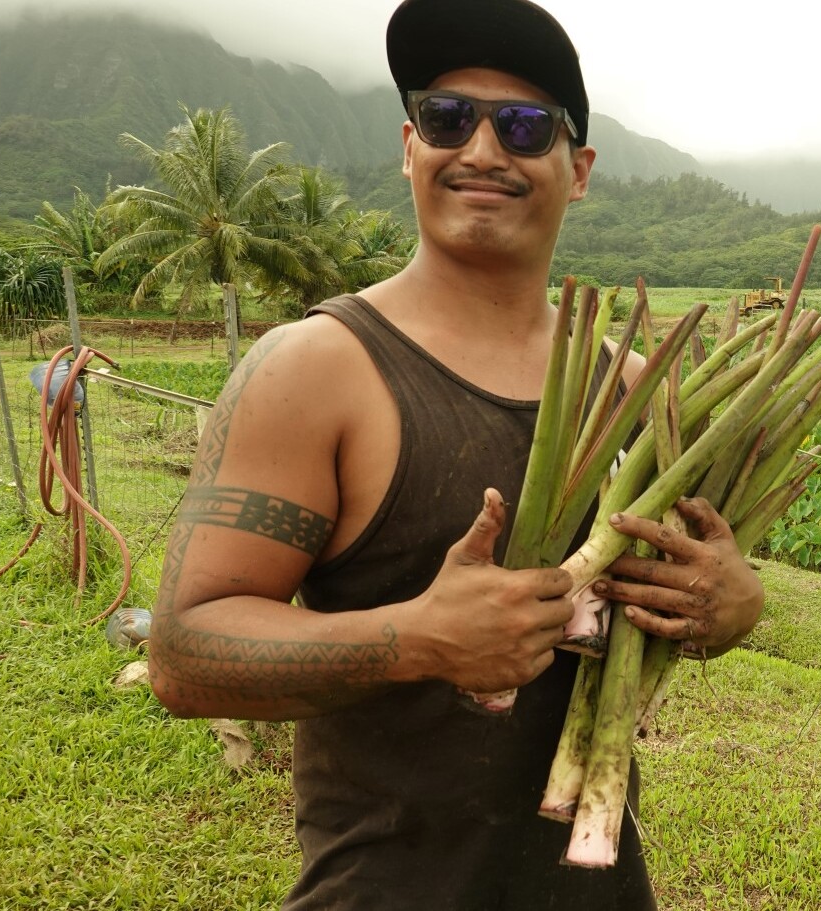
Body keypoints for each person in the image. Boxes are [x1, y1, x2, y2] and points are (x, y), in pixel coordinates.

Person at [146, 0, 765, 907]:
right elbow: (183, 654)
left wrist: (733, 605)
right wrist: (418, 636)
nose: (481, 150)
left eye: (522, 127)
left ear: (578, 168)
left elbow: (679, 595)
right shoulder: (314, 370)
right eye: (448, 117)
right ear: (409, 146)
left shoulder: (636, 386)